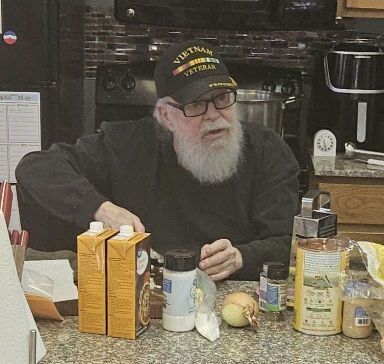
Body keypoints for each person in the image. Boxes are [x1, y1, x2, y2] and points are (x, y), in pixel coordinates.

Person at [16, 39, 299, 281]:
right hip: (143, 298)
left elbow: (289, 243)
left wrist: (241, 257)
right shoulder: (127, 145)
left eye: (222, 98)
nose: (214, 115)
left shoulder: (266, 150)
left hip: (236, 299)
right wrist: (102, 210)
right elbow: (35, 167)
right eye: (196, 104)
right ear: (165, 116)